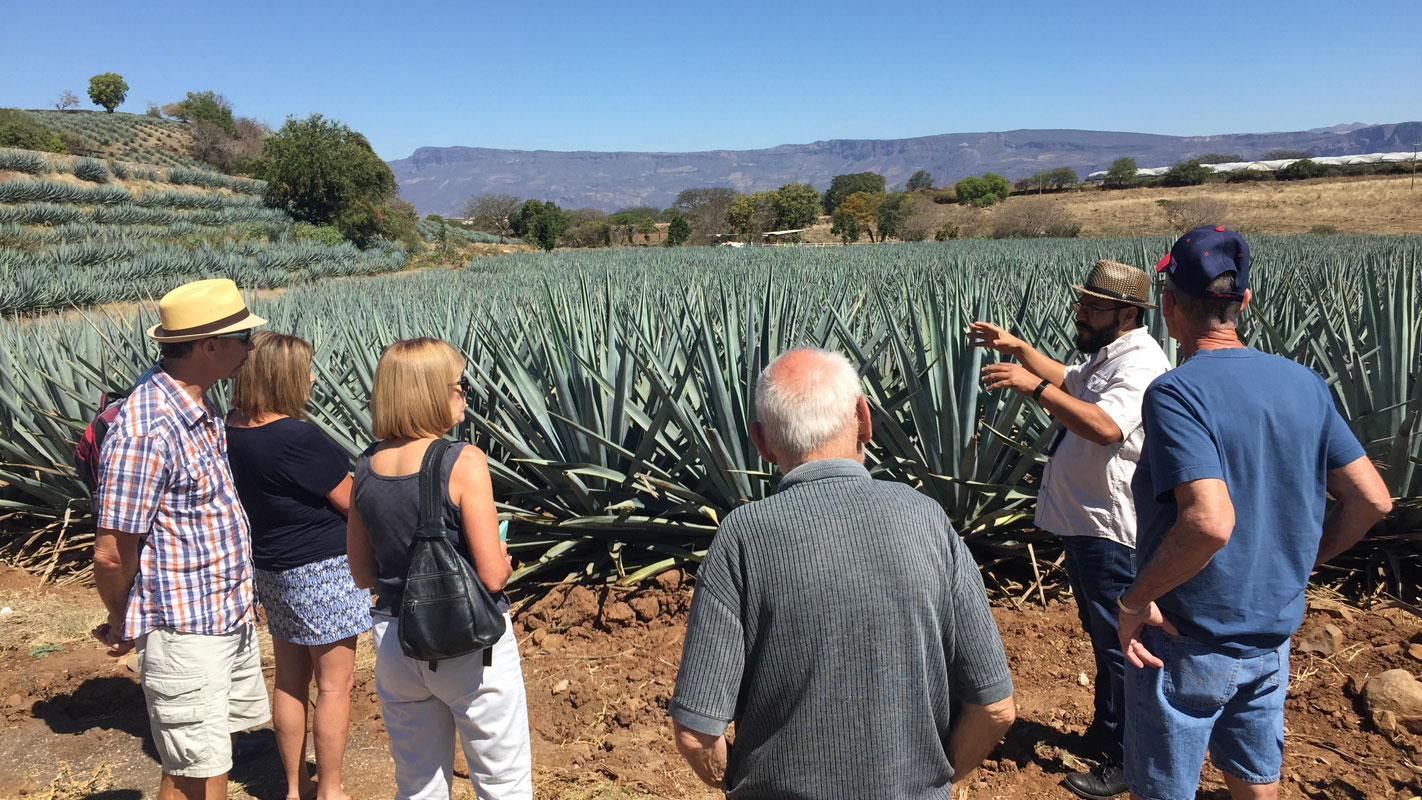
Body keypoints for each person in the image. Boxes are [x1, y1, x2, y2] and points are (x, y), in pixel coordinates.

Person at [1116, 226, 1393, 800]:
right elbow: (1372, 499)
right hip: (1271, 636)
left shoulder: (1176, 392)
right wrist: (1299, 562)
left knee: (1166, 787)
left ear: (1169, 305)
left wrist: (1135, 600)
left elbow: (1210, 521)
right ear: (1244, 301)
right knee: (1254, 777)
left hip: (1187, 637)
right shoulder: (1304, 383)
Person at [669, 347, 1016, 799]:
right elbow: (995, 708)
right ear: (864, 418)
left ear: (760, 441)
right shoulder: (928, 520)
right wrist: (933, 783)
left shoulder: (743, 539)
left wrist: (742, 786)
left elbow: (696, 734)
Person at [969, 259, 1169, 799]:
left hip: (1111, 529)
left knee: (1118, 647)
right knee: (1103, 637)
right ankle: (1107, 733)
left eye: (1092, 308)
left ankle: (1131, 759)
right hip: (1087, 523)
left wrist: (1032, 388)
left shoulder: (1142, 364)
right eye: (1081, 304)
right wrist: (1017, 349)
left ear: (1128, 313)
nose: (1079, 315)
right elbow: (1070, 379)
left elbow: (1106, 427)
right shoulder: (1112, 354)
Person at [90, 278, 272, 800]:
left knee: (194, 762)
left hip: (220, 615)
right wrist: (124, 618)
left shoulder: (197, 405)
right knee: (205, 770)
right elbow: (110, 549)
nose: (249, 348)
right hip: (185, 627)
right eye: (243, 338)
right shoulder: (149, 429)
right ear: (210, 347)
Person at [346, 338, 532, 800]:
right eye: (460, 385)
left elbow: (361, 573)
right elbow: (491, 576)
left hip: (395, 640)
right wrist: (504, 558)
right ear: (430, 391)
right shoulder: (462, 461)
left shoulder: (365, 466)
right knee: (502, 781)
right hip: (468, 644)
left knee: (418, 784)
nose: (466, 394)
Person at [226, 331, 370, 800]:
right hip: (323, 569)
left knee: (289, 678)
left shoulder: (232, 427)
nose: (311, 377)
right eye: (304, 369)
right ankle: (330, 789)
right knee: (334, 685)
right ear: (280, 376)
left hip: (272, 567)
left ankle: (294, 787)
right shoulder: (296, 436)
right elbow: (352, 501)